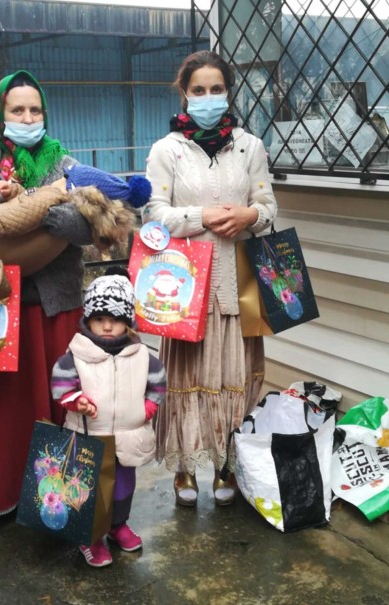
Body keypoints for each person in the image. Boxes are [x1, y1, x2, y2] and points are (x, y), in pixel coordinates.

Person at [0, 69, 99, 538]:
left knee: (61, 406)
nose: (27, 118)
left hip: (54, 310)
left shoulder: (65, 167)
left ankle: (58, 507)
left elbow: (88, 224)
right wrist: (25, 227)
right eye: (17, 110)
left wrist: (17, 219)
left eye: (35, 110)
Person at [142, 50, 278, 507]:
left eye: (216, 89)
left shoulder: (249, 146)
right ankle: (185, 469)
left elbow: (269, 206)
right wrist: (200, 216)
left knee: (235, 378)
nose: (207, 97)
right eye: (198, 90)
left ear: (228, 92)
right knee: (187, 379)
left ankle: (227, 465)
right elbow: (154, 213)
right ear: (184, 93)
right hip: (184, 290)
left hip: (239, 287)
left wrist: (249, 216)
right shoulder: (167, 150)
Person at [51, 268, 166, 568]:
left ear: (127, 322)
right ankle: (89, 537)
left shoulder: (141, 356)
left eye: (114, 319)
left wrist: (147, 408)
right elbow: (61, 385)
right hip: (89, 438)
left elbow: (158, 384)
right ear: (87, 320)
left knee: (122, 488)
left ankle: (117, 525)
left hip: (127, 438)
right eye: (99, 318)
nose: (106, 326)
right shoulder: (77, 355)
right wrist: (77, 401)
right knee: (89, 491)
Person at [0, 163, 152, 247]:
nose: (60, 177)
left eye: (66, 176)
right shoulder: (50, 194)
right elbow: (28, 198)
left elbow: (25, 214)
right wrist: (13, 190)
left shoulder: (52, 197)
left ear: (72, 185)